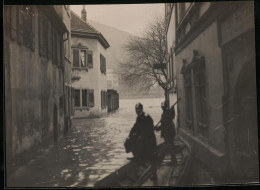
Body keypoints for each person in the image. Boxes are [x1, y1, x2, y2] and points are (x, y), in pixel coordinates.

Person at [124, 102, 157, 180]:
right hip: (142, 139)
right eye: (136, 109)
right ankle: (137, 157)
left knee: (151, 157)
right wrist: (129, 135)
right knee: (130, 141)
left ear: (141, 109)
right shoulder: (139, 117)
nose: (137, 111)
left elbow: (150, 129)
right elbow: (135, 127)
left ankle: (154, 175)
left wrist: (142, 136)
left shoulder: (147, 117)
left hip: (149, 140)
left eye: (138, 109)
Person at [154, 101, 177, 165]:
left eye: (163, 107)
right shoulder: (164, 113)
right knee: (170, 146)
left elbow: (164, 124)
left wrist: (157, 128)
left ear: (165, 107)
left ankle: (159, 161)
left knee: (166, 147)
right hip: (168, 133)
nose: (162, 108)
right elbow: (165, 123)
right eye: (162, 107)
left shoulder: (167, 113)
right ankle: (174, 161)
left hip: (168, 133)